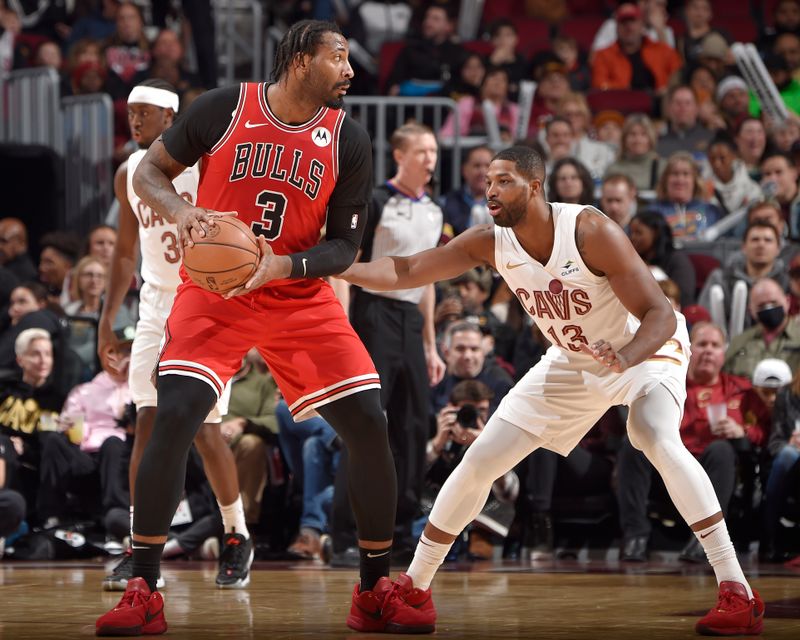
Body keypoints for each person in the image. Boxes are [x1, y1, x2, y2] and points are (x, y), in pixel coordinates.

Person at [338, 145, 764, 635]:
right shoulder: (491, 242)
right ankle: (415, 590)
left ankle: (737, 591)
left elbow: (662, 314)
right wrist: (340, 268)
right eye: (488, 182)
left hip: (645, 350)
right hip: (574, 359)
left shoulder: (589, 230)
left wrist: (626, 358)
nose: (490, 190)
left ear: (535, 187)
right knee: (480, 459)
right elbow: (408, 269)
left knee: (651, 433)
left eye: (504, 181)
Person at [95, 20, 399, 636]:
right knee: (173, 410)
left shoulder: (350, 138)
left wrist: (282, 265)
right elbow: (147, 176)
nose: (349, 70)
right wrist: (185, 214)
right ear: (299, 61)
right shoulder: (224, 107)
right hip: (214, 290)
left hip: (295, 289)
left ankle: (374, 588)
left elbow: (344, 247)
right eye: (338, 57)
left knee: (369, 421)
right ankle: (144, 585)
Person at [97, 78, 253, 592]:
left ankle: (236, 534)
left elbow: (243, 242)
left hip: (207, 305)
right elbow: (123, 253)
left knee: (205, 433)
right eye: (130, 114)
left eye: (144, 114)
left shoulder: (209, 164)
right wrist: (107, 320)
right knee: (145, 422)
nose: (134, 122)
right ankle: (143, 554)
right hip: (153, 306)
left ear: (171, 120)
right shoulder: (129, 173)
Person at [348, 122, 445, 558]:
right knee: (369, 423)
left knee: (413, 426)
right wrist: (346, 326)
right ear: (400, 156)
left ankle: (404, 527)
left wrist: (430, 345)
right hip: (372, 312)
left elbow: (428, 280)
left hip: (410, 319)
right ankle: (346, 529)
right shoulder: (378, 201)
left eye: (434, 151)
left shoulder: (435, 210)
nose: (430, 158)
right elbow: (348, 266)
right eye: (422, 151)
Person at [591, 3, 682, 94]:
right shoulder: (604, 55)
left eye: (633, 21)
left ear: (642, 25)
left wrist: (667, 91)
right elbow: (599, 85)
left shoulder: (663, 50)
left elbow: (679, 77)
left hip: (659, 104)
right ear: (617, 27)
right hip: (621, 104)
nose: (629, 27)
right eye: (624, 22)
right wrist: (626, 91)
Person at [724, 278, 800, 378]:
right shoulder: (739, 342)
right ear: (750, 309)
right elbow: (723, 380)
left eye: (774, 303)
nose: (769, 308)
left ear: (787, 301)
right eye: (761, 305)